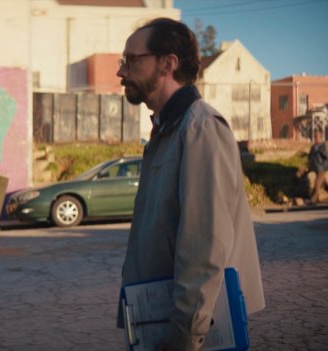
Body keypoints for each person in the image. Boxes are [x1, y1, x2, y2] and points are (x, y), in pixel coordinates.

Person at [115, 18, 265, 350]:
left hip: (194, 334)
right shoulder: (166, 130)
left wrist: (184, 335)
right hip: (160, 320)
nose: (121, 72)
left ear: (168, 63)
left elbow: (204, 244)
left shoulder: (200, 128)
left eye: (131, 60)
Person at [308, 130, 328, 204]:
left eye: (316, 136)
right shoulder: (314, 146)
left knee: (317, 183)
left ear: (320, 137)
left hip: (322, 168)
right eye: (314, 136)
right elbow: (310, 156)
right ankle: (317, 199)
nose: (315, 138)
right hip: (316, 168)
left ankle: (313, 200)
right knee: (324, 185)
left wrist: (320, 151)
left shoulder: (323, 145)